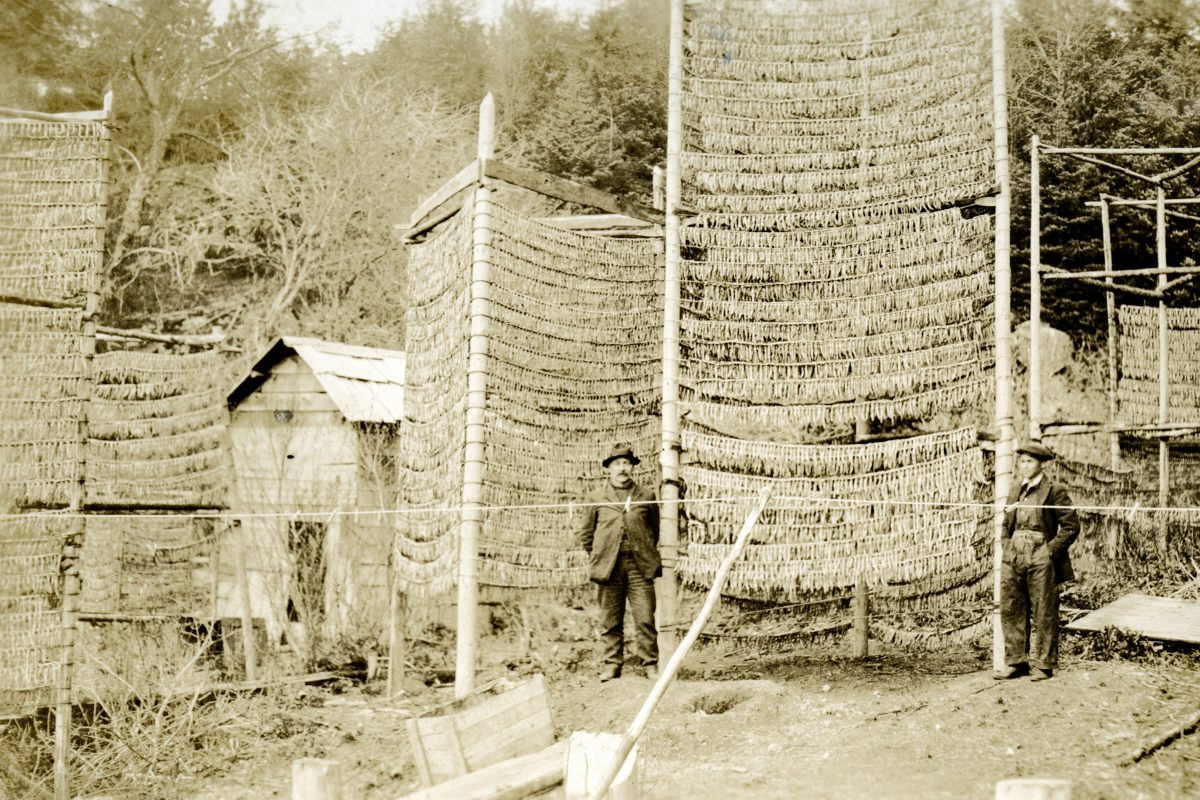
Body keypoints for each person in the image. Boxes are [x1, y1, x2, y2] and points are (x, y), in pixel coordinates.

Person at [996, 441, 1080, 682]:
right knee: (1011, 607)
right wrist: (1007, 545)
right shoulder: (1015, 490)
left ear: (1040, 464)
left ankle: (1044, 664)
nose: (1025, 465)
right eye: (1021, 461)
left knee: (1044, 609)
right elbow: (1006, 523)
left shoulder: (1054, 490)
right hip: (1014, 555)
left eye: (1030, 461)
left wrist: (1050, 551)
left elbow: (1071, 526)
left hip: (1041, 555)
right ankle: (1016, 662)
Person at [577, 443, 660, 681]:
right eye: (617, 464)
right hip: (609, 568)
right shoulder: (595, 497)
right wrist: (602, 555)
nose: (622, 468)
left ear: (632, 468)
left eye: (626, 463)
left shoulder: (646, 496)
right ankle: (612, 665)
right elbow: (586, 535)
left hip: (639, 567)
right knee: (610, 620)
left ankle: (650, 665)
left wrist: (643, 551)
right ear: (608, 470)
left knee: (645, 617)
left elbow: (654, 530)